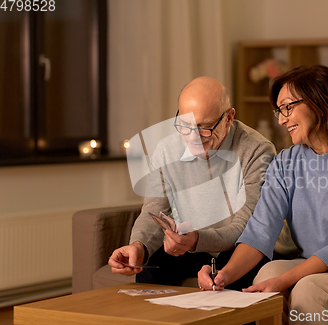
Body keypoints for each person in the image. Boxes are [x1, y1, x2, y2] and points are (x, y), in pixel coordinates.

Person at [198, 66, 328, 324]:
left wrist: (285, 280)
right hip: (318, 265)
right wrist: (222, 275)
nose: (281, 120)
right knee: (267, 273)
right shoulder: (285, 162)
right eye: (279, 111)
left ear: (319, 101)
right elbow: (260, 231)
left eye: (287, 108)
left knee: (310, 289)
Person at [109, 76, 276, 290]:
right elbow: (153, 210)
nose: (194, 138)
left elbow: (247, 227)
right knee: (151, 267)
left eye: (205, 127)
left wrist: (197, 239)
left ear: (229, 117)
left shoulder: (258, 151)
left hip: (238, 249)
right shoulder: (166, 149)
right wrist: (138, 246)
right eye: (186, 126)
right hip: (190, 248)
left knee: (242, 273)